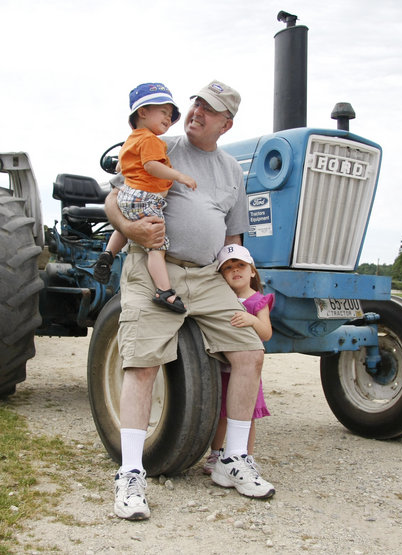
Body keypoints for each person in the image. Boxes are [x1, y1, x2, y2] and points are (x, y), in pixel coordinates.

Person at [104, 80, 275, 521]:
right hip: (155, 267)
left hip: (207, 275)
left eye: (209, 108)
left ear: (226, 123)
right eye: (196, 102)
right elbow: (112, 199)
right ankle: (130, 472)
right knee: (142, 364)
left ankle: (231, 459)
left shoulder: (233, 171)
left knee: (250, 354)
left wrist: (241, 286)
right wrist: (133, 229)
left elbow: (233, 236)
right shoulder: (162, 146)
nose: (197, 110)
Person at [94, 83, 196, 313]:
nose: (168, 119)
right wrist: (179, 176)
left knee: (127, 225)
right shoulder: (151, 140)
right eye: (164, 112)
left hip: (128, 194)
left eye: (171, 116)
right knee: (157, 245)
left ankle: (108, 254)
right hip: (146, 196)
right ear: (143, 112)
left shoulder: (132, 139)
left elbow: (123, 164)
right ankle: (164, 291)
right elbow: (151, 166)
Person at [203, 244, 273, 474]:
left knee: (246, 414)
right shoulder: (222, 300)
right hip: (222, 368)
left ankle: (246, 456)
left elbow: (266, 333)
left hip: (245, 372)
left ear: (252, 271)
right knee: (221, 414)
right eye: (228, 268)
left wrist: (252, 320)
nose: (235, 271)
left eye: (241, 265)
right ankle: (215, 454)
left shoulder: (257, 301)